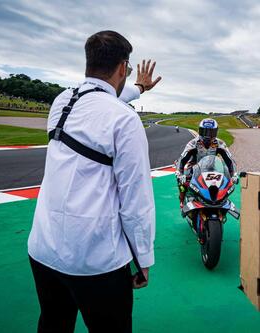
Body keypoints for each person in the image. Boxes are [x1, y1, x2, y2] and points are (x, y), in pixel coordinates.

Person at [27, 30, 161, 332]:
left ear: (89, 62)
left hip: (43, 249)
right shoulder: (125, 120)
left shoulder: (62, 102)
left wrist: (139, 88)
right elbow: (136, 202)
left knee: (53, 323)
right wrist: (143, 259)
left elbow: (101, 96)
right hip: (95, 260)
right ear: (123, 67)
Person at [175, 118, 238, 208]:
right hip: (193, 169)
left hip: (212, 168)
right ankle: (182, 201)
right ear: (200, 131)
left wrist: (234, 174)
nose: (207, 136)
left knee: (224, 183)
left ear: (215, 132)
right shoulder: (193, 143)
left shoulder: (220, 143)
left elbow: (230, 160)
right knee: (182, 183)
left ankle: (219, 202)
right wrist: (179, 173)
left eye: (211, 132)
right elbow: (182, 159)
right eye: (205, 132)